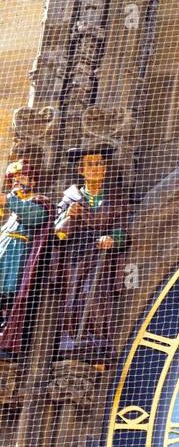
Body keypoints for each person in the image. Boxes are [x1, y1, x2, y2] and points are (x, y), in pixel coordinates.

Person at [54, 147, 129, 363]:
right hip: (76, 255)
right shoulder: (70, 198)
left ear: (105, 169)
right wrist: (68, 217)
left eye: (99, 164)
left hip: (101, 255)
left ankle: (96, 341)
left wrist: (112, 238)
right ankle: (71, 341)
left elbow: (124, 230)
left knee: (95, 295)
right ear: (81, 169)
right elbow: (57, 233)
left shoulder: (115, 198)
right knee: (72, 299)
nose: (95, 168)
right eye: (90, 164)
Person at [0, 156, 52, 360]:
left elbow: (35, 216)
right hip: (4, 256)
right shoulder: (12, 213)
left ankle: (7, 340)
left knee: (10, 300)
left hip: (17, 260)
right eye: (14, 179)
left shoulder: (40, 202)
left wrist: (9, 200)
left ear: (32, 181)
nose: (17, 183)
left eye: (22, 178)